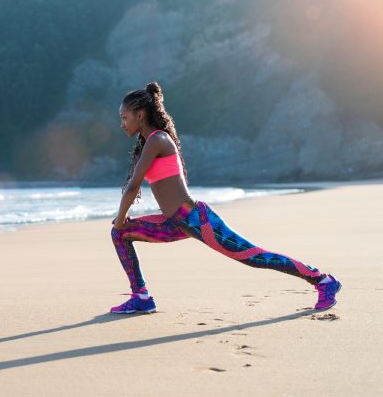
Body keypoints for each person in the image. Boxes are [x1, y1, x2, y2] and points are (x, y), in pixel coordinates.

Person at [109, 81, 341, 314]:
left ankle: (322, 280)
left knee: (253, 257)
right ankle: (141, 296)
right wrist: (121, 221)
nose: (122, 124)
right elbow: (135, 187)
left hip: (196, 219)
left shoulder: (157, 140)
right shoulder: (150, 142)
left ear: (140, 115)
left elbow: (132, 187)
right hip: (175, 223)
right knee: (119, 233)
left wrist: (121, 217)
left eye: (124, 117)